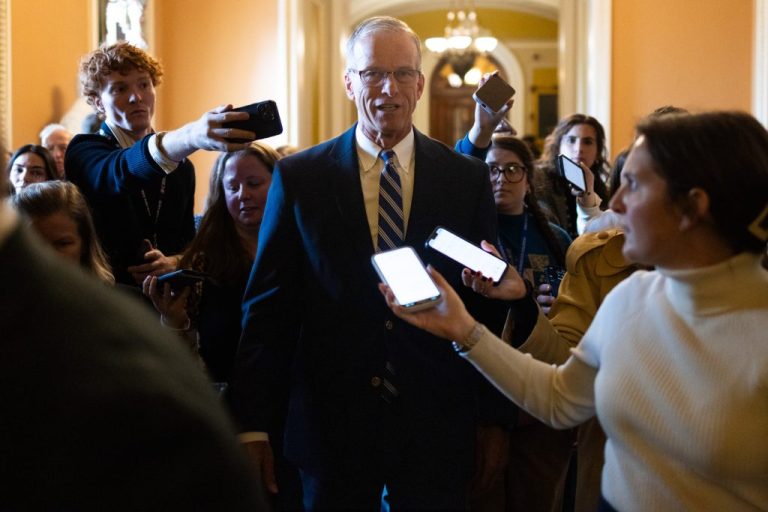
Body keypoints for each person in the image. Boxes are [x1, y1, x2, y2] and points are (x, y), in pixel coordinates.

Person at [381, 111, 768, 511]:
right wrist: (461, 327)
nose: (614, 202)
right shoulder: (632, 296)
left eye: (632, 184)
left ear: (692, 207)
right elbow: (559, 398)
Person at [229, 16, 505, 510]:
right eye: (373, 73)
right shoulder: (300, 178)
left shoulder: (466, 180)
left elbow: (485, 309)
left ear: (420, 85)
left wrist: (492, 418)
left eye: (402, 74)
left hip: (435, 426)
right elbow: (268, 308)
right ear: (349, 82)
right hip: (330, 429)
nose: (388, 89)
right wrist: (251, 424)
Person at [0, 134, 266, 510]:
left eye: (61, 244)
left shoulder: (124, 313)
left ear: (83, 242)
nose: (48, 260)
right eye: (35, 246)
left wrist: (172, 322)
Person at [65, 41, 256, 285]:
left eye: (144, 84)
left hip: (167, 302)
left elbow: (187, 243)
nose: (136, 97)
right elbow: (121, 171)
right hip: (106, 298)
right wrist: (191, 135)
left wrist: (174, 262)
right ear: (98, 102)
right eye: (120, 89)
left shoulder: (182, 166)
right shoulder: (84, 151)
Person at [474, 135, 573, 512]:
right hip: (489, 379)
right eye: (492, 170)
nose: (502, 178)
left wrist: (555, 301)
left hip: (544, 372)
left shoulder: (556, 236)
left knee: (538, 491)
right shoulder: (473, 233)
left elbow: (575, 306)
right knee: (486, 491)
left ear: (529, 180)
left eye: (513, 169)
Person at [142, 142, 278, 384]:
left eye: (254, 184)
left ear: (279, 183)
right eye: (232, 187)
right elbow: (181, 357)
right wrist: (173, 320)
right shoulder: (202, 263)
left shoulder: (300, 251)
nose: (243, 194)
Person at [11, 180, 114, 284]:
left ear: (85, 243)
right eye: (36, 244)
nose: (49, 256)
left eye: (62, 244)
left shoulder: (121, 298)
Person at [536, 114, 610, 238]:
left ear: (598, 151)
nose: (579, 148)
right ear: (558, 146)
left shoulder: (603, 190)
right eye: (571, 140)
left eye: (587, 142)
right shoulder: (539, 181)